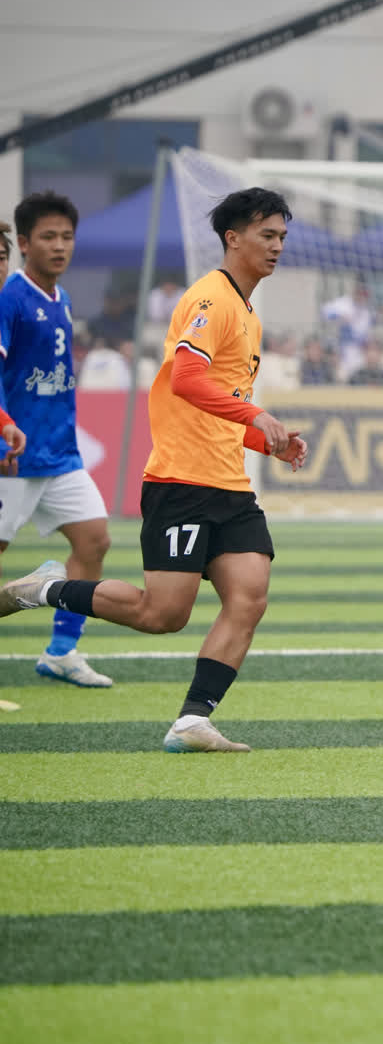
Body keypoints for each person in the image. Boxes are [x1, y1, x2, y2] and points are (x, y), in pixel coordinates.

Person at [0, 187, 309, 753]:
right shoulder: (211, 299)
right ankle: (43, 589)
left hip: (230, 484)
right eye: (267, 235)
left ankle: (192, 721)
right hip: (182, 482)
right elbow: (186, 380)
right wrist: (256, 414)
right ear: (233, 238)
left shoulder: (247, 312)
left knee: (249, 596)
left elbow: (220, 403)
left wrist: (267, 442)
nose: (277, 246)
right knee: (162, 614)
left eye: (282, 237)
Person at [0, 192, 115, 687]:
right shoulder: (10, 297)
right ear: (25, 243)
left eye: (67, 237)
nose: (60, 246)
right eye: (48, 237)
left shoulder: (61, 297)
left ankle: (62, 652)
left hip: (60, 455)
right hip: (13, 457)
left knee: (94, 541)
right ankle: (29, 596)